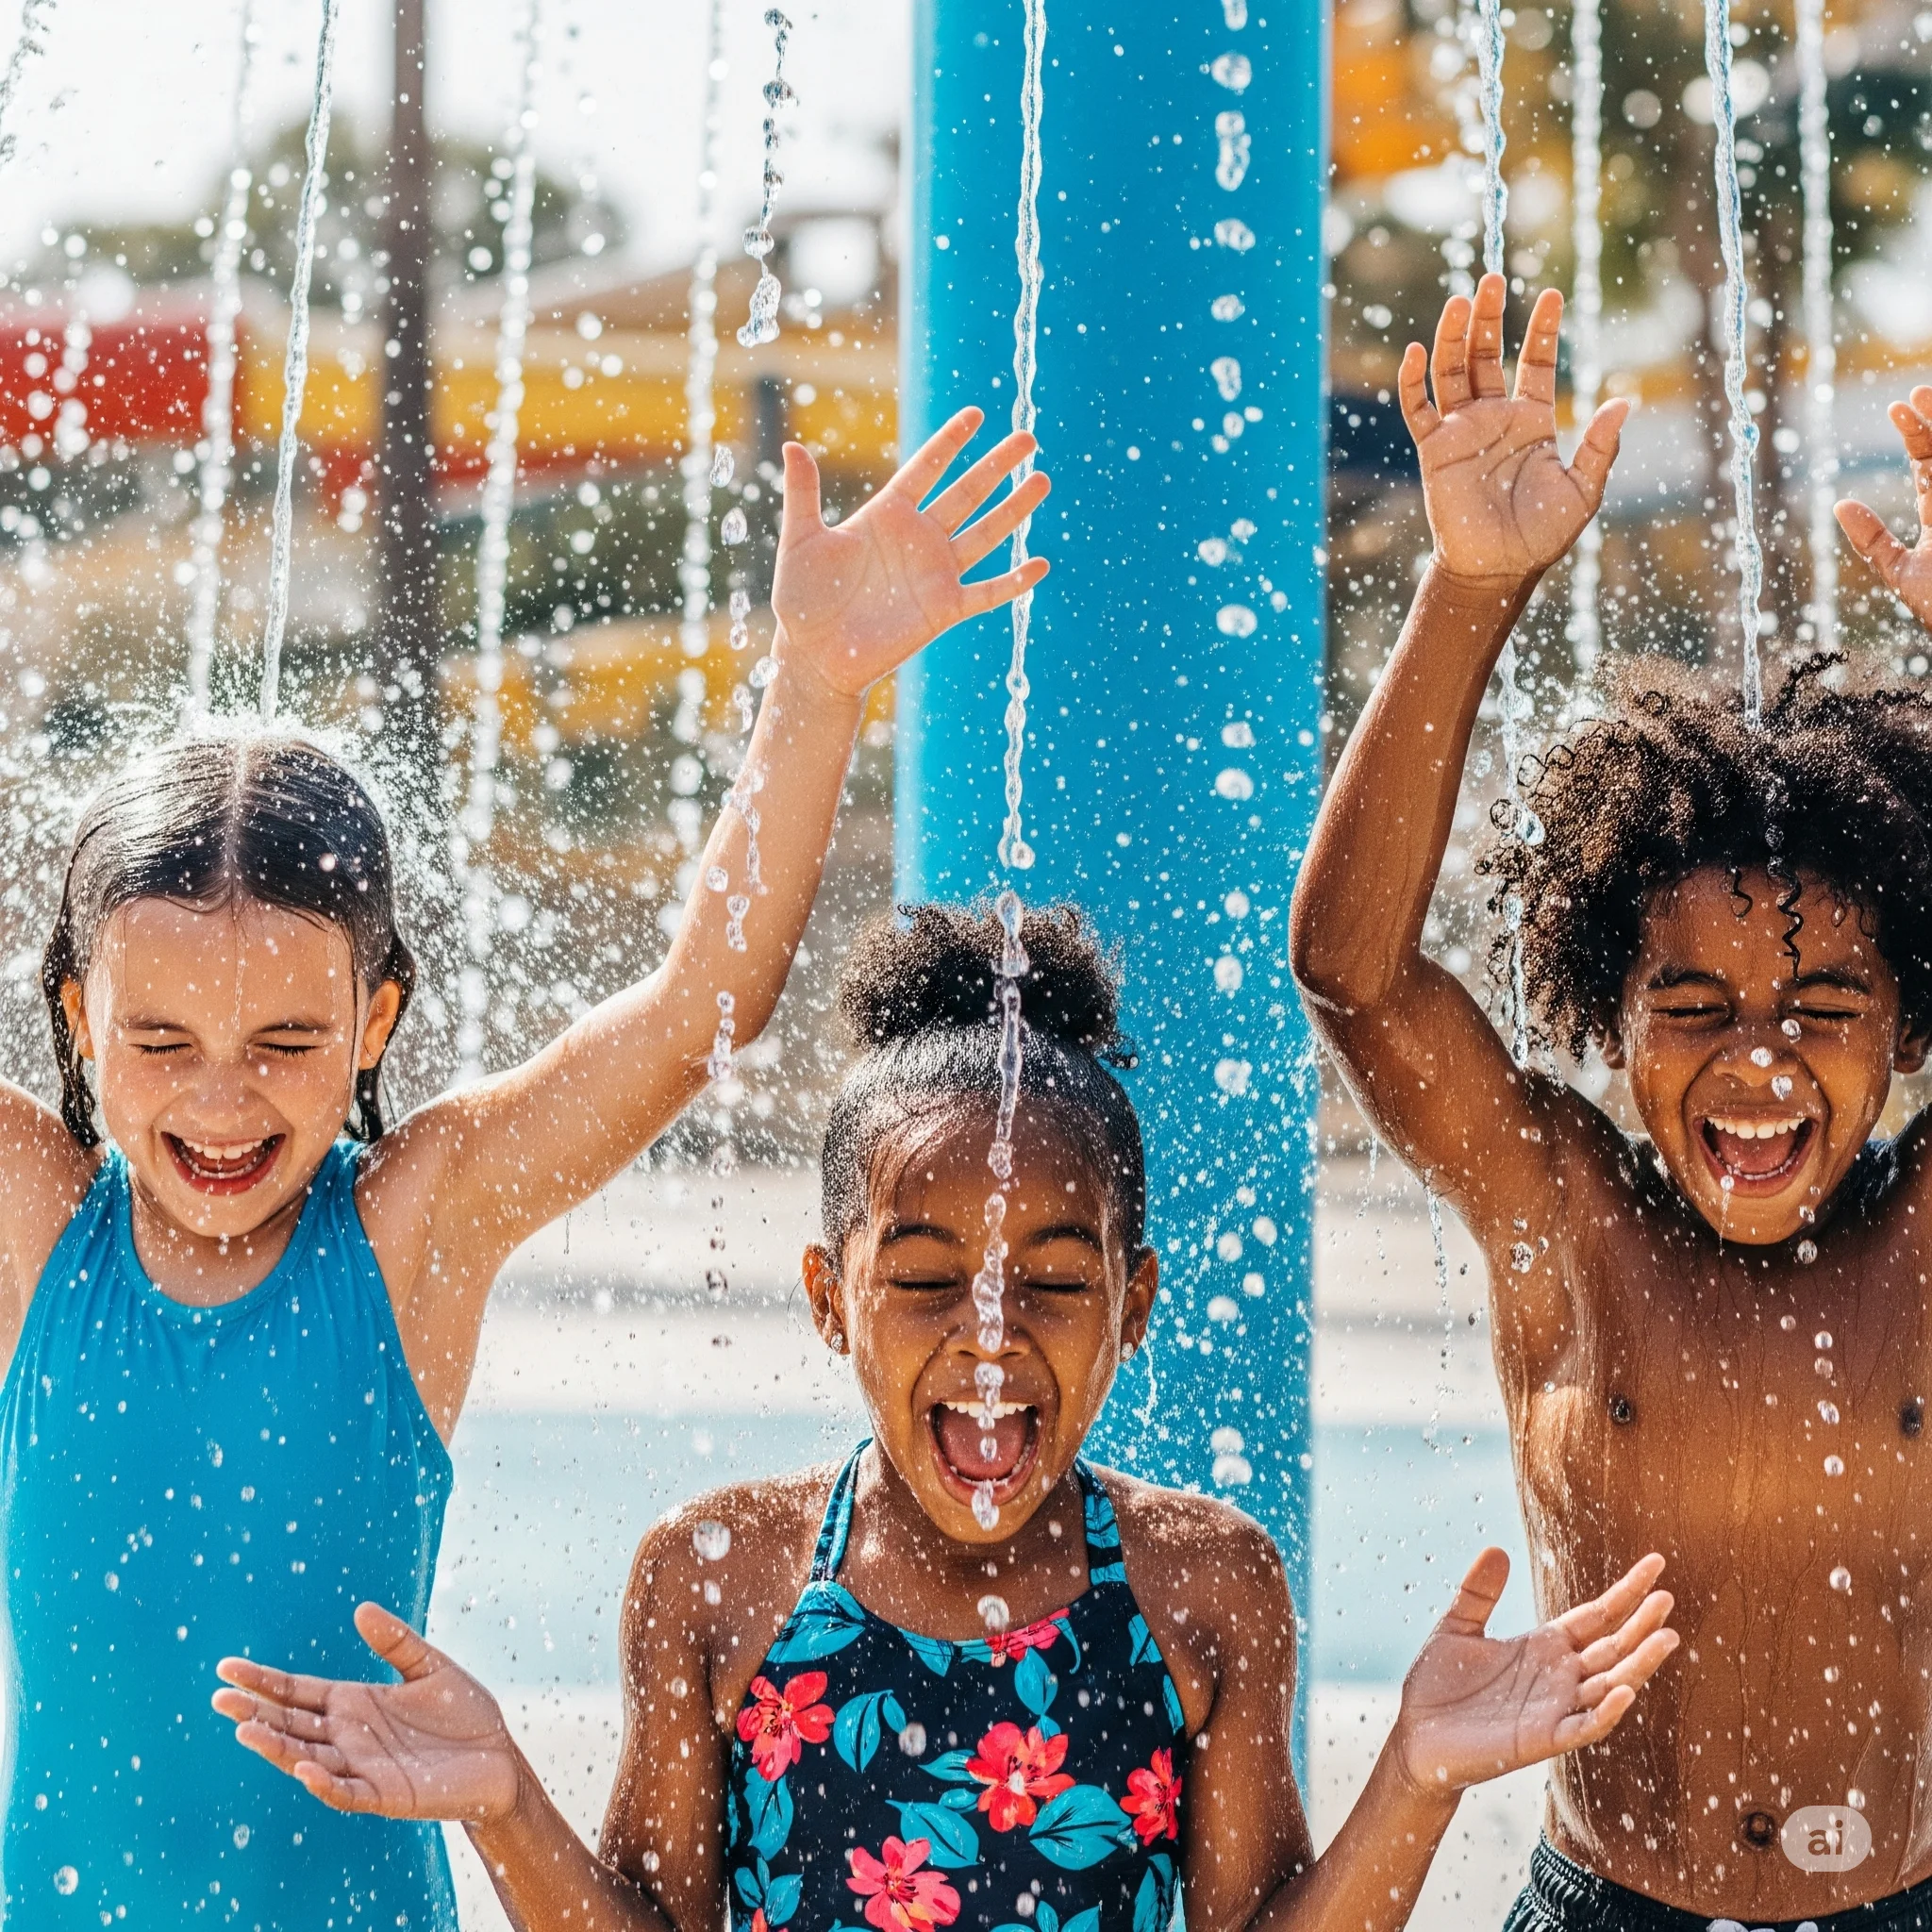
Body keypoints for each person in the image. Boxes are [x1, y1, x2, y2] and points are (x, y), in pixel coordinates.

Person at [0, 409, 1048, 1928]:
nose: (222, 1103)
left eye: (287, 1044)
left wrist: (814, 691)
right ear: (79, 1017)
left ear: (378, 1021)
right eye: (160, 1043)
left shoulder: (407, 1230)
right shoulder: (39, 1231)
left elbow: (699, 1015)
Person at [213, 902, 1677, 1932]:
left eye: (1052, 1280)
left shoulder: (1204, 1586)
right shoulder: (719, 1578)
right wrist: (503, 1802)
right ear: (828, 1300)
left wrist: (1412, 1779)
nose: (990, 1336)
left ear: (1136, 1301)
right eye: (923, 1284)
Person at [1291, 269, 1932, 1929]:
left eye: (1828, 1008)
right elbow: (1355, 974)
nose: (1762, 1063)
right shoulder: (1559, 1215)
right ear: (1611, 1020)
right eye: (1694, 1007)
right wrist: (1467, 591)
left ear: (1911, 1024)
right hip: (1606, 1904)